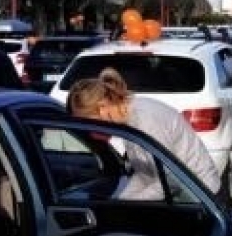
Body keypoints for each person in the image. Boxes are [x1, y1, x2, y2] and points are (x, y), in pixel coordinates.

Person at [66, 68, 222, 200]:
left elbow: (171, 178)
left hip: (203, 196)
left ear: (102, 107)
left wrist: (133, 203)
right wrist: (121, 202)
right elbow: (145, 174)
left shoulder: (146, 119)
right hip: (182, 195)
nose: (91, 133)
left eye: (90, 123)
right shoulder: (127, 122)